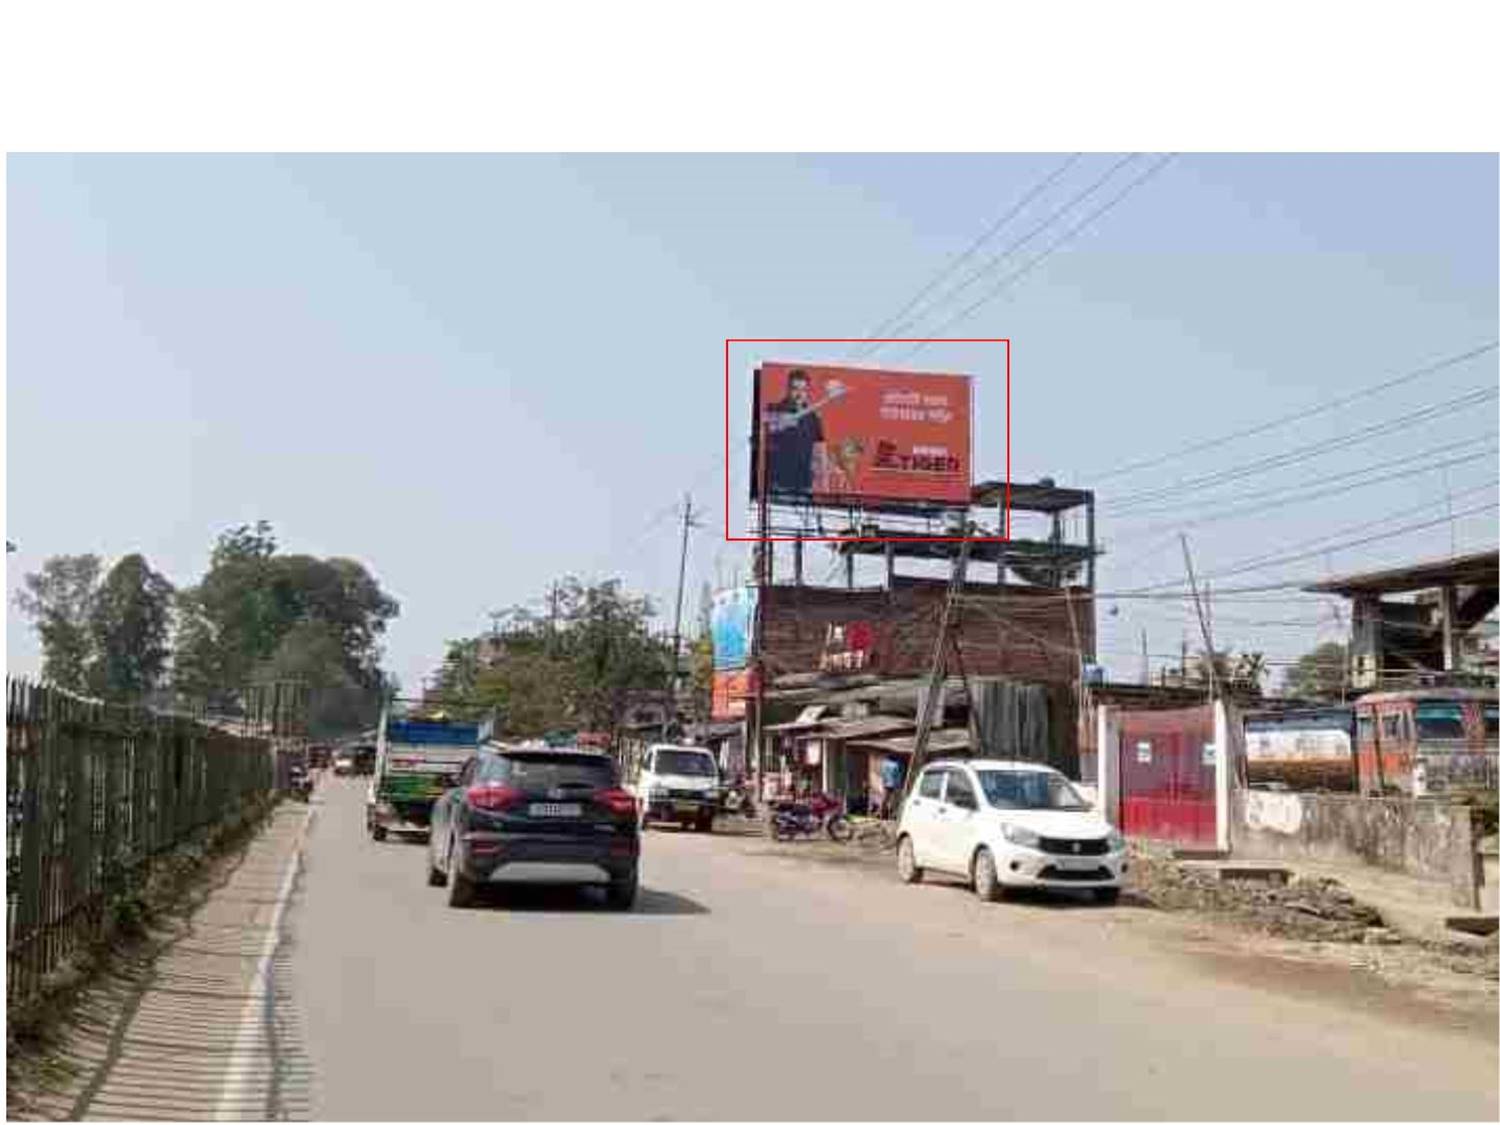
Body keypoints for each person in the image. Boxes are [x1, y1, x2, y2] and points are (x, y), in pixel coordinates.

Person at [763, 369, 826, 497]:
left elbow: (819, 450)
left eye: (803, 390)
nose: (799, 394)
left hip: (804, 486)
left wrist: (821, 481)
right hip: (779, 486)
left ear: (807, 392)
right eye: (795, 389)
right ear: (788, 389)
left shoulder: (813, 416)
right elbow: (766, 436)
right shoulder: (774, 409)